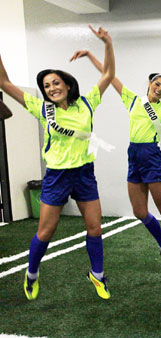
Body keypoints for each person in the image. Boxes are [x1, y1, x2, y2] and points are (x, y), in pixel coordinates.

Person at [0, 25, 115, 300]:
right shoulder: (42, 109)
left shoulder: (87, 103)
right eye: (46, 86)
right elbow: (4, 83)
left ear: (67, 83)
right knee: (46, 230)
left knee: (95, 227)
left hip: (85, 173)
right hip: (57, 176)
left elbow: (109, 74)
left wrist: (107, 42)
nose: (51, 88)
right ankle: (31, 274)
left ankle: (98, 276)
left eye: (55, 83)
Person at [71, 50, 161, 270]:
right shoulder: (133, 100)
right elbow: (109, 75)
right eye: (157, 84)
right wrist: (90, 56)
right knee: (139, 211)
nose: (159, 89)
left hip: (151, 158)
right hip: (134, 157)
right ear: (150, 83)